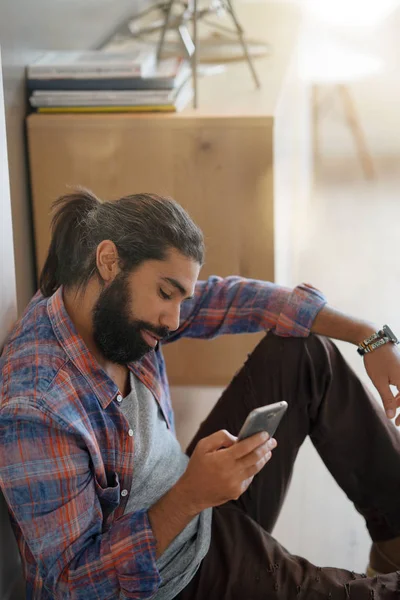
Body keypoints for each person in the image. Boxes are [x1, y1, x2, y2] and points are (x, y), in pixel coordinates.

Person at [0, 189, 399, 600]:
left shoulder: (99, 303)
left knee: (308, 355)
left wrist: (368, 336)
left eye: (181, 299)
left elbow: (230, 299)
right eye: (166, 293)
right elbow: (72, 586)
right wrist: (190, 496)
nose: (174, 320)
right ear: (108, 261)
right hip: (171, 579)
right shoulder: (37, 408)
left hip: (198, 497)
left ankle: (395, 540)